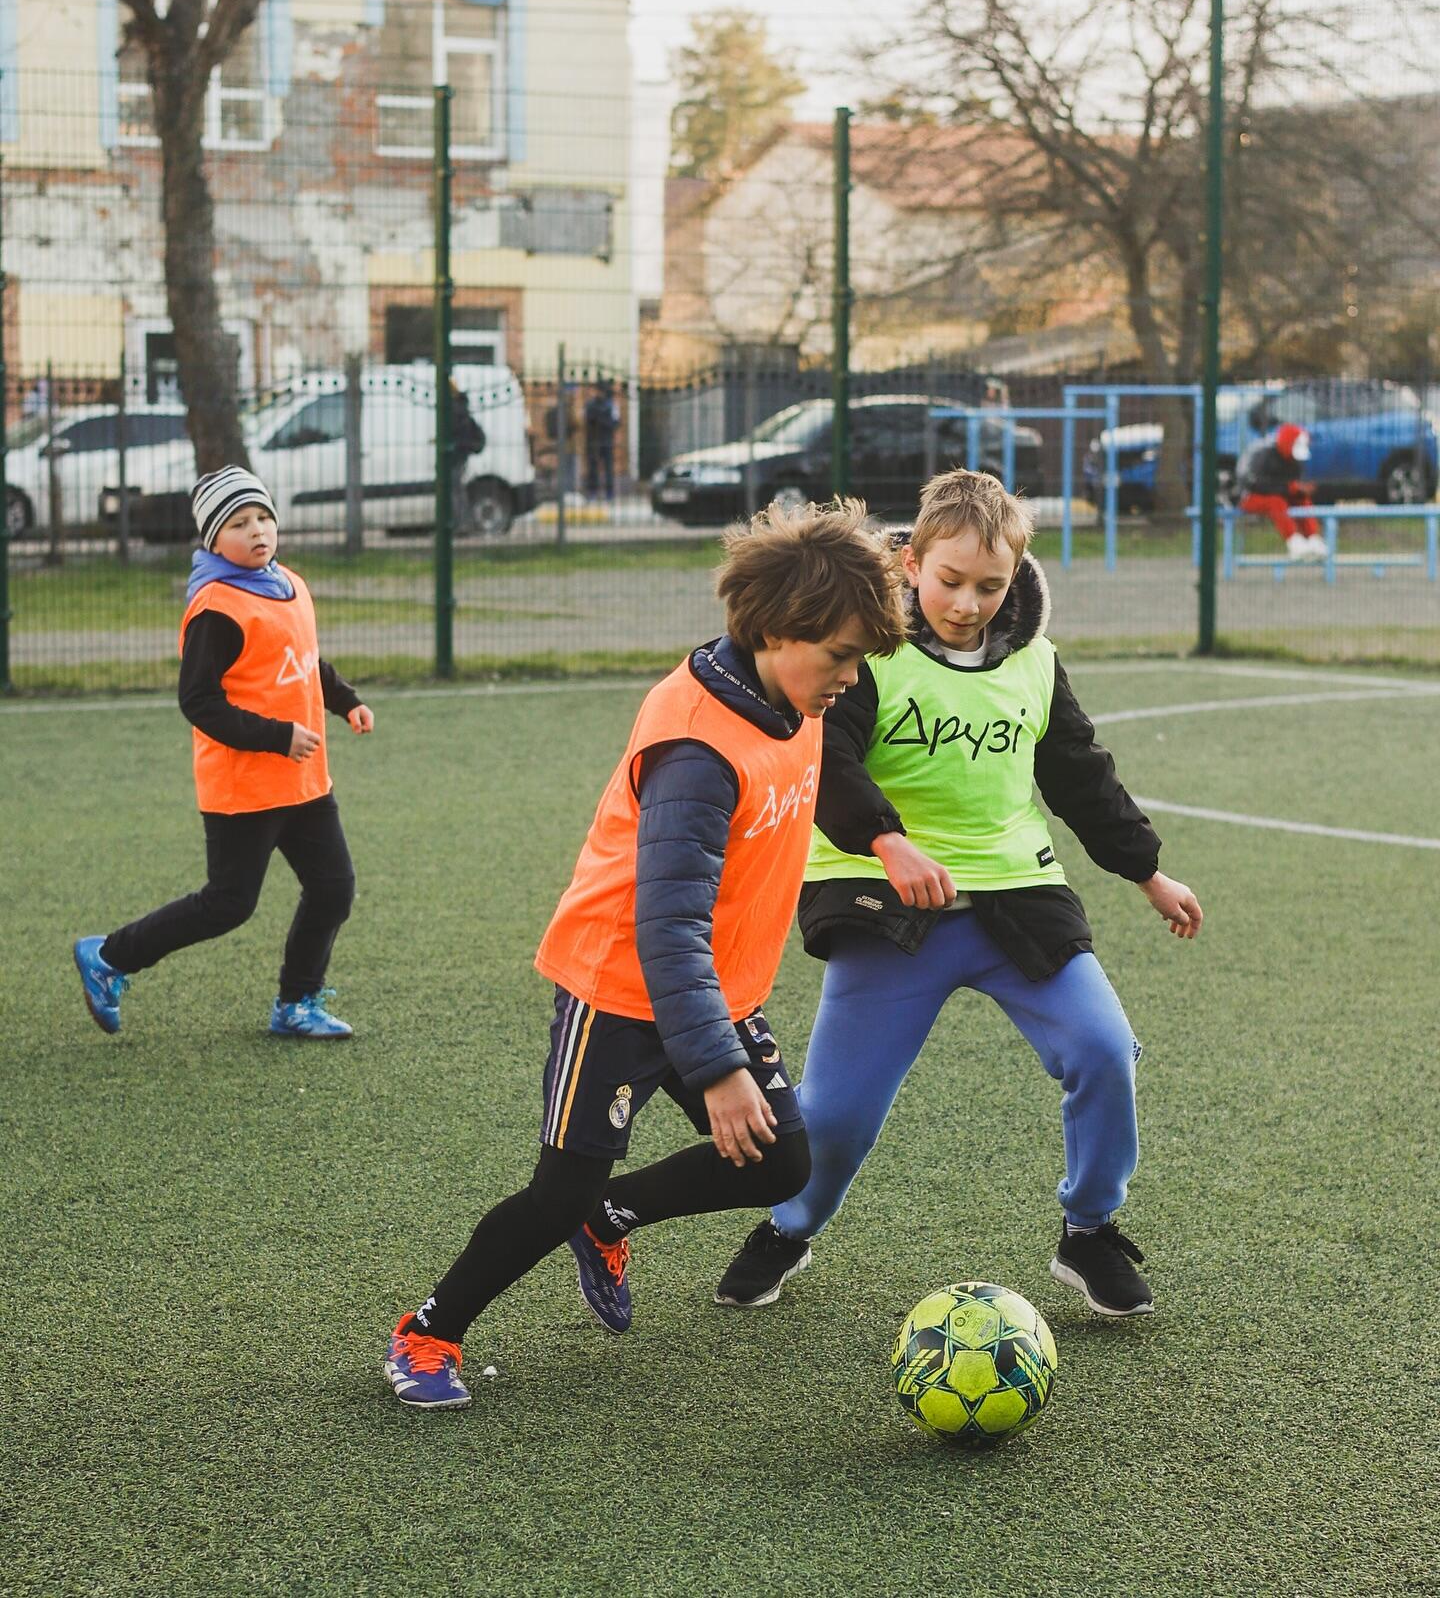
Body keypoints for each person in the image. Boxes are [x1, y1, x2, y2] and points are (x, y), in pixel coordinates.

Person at [382, 498, 909, 1408]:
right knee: (558, 1189)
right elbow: (664, 925)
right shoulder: (696, 749)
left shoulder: (794, 692)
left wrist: (885, 839)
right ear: (782, 630)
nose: (850, 679)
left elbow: (804, 788)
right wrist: (717, 1068)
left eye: (859, 658)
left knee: (783, 1164)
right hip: (624, 985)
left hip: (714, 987)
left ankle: (613, 1217)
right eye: (841, 657)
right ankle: (429, 1332)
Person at [714, 469, 1204, 1322]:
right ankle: (791, 1228)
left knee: (1103, 1052)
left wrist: (1149, 872)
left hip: (1019, 897)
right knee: (834, 1118)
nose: (968, 603)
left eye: (991, 585)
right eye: (950, 581)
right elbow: (826, 763)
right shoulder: (866, 657)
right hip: (887, 906)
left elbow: (1082, 781)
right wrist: (887, 840)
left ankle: (1088, 1231)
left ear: (1016, 577)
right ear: (910, 563)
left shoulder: (1037, 667)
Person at [73, 466, 374, 1041]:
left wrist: (345, 700)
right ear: (213, 539)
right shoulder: (216, 607)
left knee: (334, 887)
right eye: (239, 523)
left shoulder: (289, 583)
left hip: (304, 782)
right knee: (228, 904)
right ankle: (109, 956)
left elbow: (304, 660)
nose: (257, 530)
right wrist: (276, 736)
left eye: (263, 517)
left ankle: (297, 1002)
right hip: (245, 788)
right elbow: (199, 702)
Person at [1235, 423, 1324, 559]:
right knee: (1275, 502)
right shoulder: (1263, 455)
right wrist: (1291, 488)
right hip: (1249, 496)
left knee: (1302, 499)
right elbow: (1255, 484)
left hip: (1279, 496)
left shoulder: (1295, 460)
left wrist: (1300, 490)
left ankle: (1313, 538)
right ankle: (1294, 542)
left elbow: (1289, 486)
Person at [447, 381, 487, 534]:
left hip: (456, 456)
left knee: (455, 492)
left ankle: (461, 524)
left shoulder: (456, 411)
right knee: (456, 491)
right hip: (459, 456)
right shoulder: (460, 409)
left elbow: (457, 434)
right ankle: (460, 523)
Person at [583, 379, 621, 500]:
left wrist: (602, 421)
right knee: (592, 467)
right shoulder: (590, 404)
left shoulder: (611, 405)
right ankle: (592, 491)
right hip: (593, 441)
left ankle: (609, 492)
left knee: (608, 467)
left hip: (607, 440)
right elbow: (587, 421)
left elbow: (616, 423)